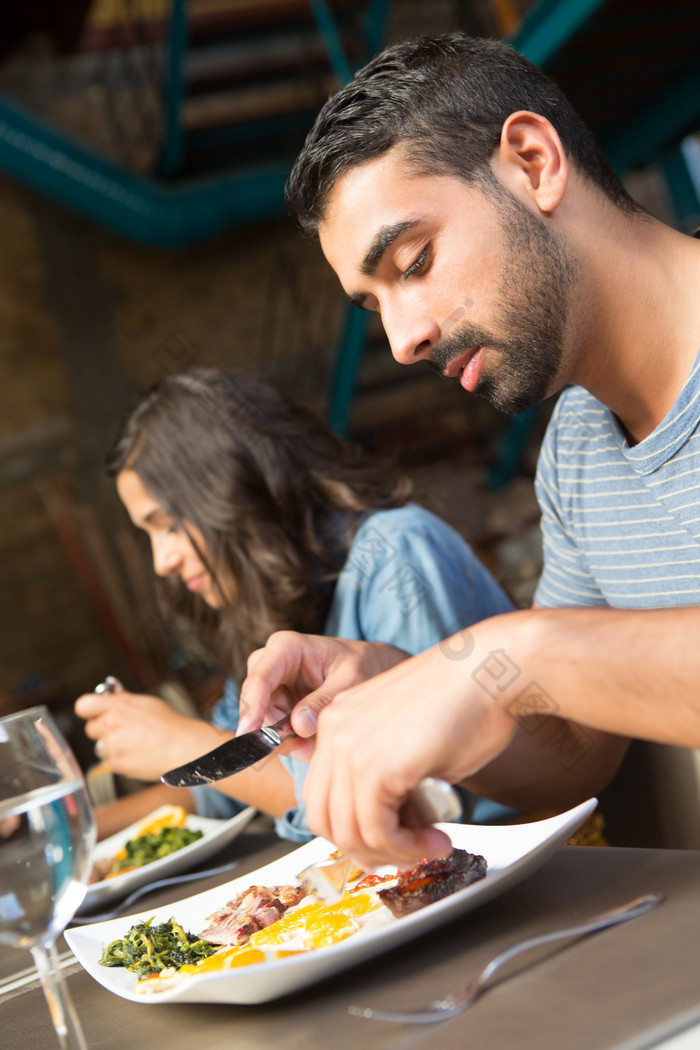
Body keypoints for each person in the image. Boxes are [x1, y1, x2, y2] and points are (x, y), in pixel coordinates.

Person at [235, 32, 700, 869]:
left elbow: (549, 663)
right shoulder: (578, 451)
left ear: (532, 160)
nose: (405, 340)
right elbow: (573, 755)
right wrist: (411, 678)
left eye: (415, 261)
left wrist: (509, 651)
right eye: (375, 309)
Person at [75, 365, 515, 840]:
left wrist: (184, 743)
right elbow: (231, 784)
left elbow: (409, 801)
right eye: (149, 536)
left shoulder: (396, 554)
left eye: (169, 525)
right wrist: (76, 832)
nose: (162, 561)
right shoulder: (261, 601)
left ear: (232, 488)